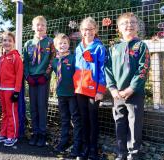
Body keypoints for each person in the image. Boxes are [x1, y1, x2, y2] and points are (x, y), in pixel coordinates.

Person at [105, 12, 150, 160]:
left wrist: (132, 88)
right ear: (118, 28)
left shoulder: (141, 46)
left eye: (132, 22)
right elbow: (108, 68)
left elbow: (143, 68)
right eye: (125, 23)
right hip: (117, 94)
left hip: (134, 93)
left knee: (134, 124)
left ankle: (134, 154)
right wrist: (112, 88)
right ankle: (121, 152)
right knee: (119, 122)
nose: (129, 25)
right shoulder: (114, 48)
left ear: (137, 26)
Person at [73, 17, 106, 160]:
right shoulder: (78, 47)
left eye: (91, 28)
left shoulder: (100, 47)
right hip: (80, 90)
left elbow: (103, 70)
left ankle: (93, 149)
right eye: (85, 29)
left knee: (93, 119)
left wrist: (100, 90)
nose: (88, 31)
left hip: (93, 90)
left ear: (96, 30)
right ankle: (85, 147)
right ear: (81, 31)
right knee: (83, 118)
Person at [23, 16, 55, 147]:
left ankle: (42, 134)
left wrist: (46, 75)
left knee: (42, 106)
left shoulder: (50, 42)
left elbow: (53, 59)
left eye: (42, 25)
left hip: (43, 79)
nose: (40, 27)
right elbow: (25, 62)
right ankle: (35, 132)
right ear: (33, 27)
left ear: (46, 27)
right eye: (37, 25)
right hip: (32, 79)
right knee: (33, 107)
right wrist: (27, 76)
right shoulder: (28, 44)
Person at [0, 31, 23, 147]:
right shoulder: (2, 58)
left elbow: (19, 75)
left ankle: (12, 136)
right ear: (1, 43)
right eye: (5, 40)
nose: (7, 42)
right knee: (4, 113)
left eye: (9, 40)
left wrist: (16, 92)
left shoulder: (16, 57)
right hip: (2, 89)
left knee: (12, 114)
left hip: (11, 90)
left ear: (13, 43)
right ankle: (3, 133)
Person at [52, 33, 81, 156]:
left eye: (65, 43)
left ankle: (77, 144)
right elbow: (56, 75)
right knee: (64, 119)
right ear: (56, 46)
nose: (62, 45)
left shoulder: (74, 58)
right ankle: (64, 141)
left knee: (75, 119)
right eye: (60, 43)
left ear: (69, 45)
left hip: (72, 94)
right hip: (61, 94)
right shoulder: (54, 61)